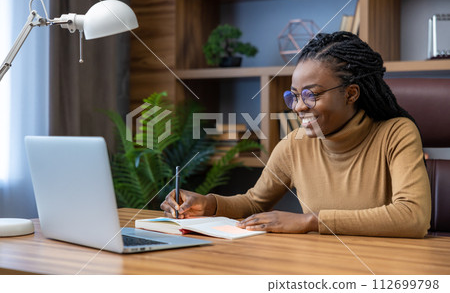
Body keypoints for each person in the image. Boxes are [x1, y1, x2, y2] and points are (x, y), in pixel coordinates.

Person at [161, 31, 431, 238]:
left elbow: (413, 217)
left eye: (311, 95)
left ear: (350, 94)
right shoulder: (295, 144)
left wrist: (310, 221)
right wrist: (208, 204)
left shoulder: (396, 133)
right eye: (294, 96)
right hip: (317, 265)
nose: (299, 107)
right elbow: (254, 202)